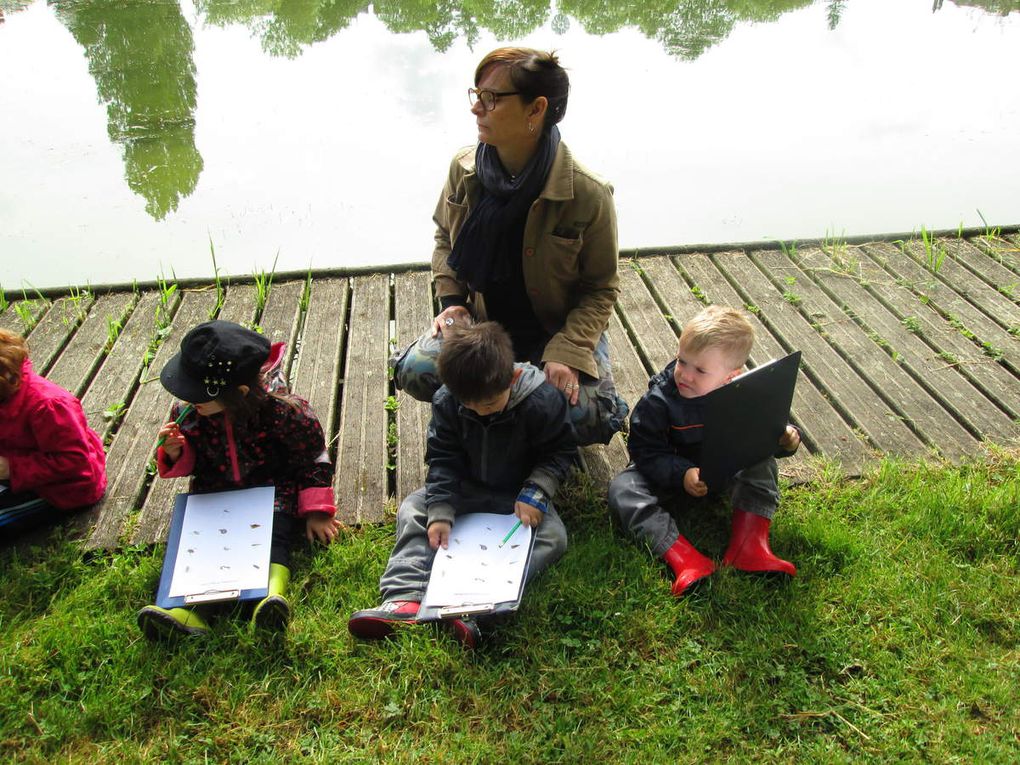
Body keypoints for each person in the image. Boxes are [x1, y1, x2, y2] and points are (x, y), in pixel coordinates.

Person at [391, 47, 628, 447]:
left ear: (536, 109)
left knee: (589, 417)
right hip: (486, 327)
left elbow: (601, 288)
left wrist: (567, 350)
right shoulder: (464, 169)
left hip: (554, 330)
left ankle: (503, 409)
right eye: (476, 95)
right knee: (415, 371)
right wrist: (452, 302)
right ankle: (507, 409)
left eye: (492, 99)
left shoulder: (588, 194)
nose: (476, 109)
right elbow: (445, 239)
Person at [349, 322, 576, 648]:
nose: (476, 412)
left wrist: (537, 491)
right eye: (466, 405)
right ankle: (405, 596)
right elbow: (443, 457)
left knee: (554, 537)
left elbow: (558, 453)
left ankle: (479, 605)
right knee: (415, 507)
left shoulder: (542, 401)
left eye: (485, 406)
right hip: (465, 489)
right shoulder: (448, 401)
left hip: (516, 497)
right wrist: (440, 509)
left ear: (511, 380)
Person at [136, 320, 342, 639]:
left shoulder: (285, 411)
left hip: (273, 493)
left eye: (196, 394)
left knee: (275, 538)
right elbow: (191, 460)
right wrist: (176, 451)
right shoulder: (191, 412)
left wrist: (316, 510)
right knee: (199, 550)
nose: (188, 400)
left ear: (240, 392)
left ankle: (271, 597)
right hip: (213, 496)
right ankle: (188, 614)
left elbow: (312, 456)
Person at [608, 306, 801, 597]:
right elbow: (644, 450)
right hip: (670, 476)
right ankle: (684, 558)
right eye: (681, 361)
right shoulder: (660, 400)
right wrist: (682, 473)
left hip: (721, 470)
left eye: (700, 370)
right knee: (623, 489)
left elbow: (760, 431)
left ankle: (749, 546)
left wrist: (784, 439)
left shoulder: (742, 394)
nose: (685, 375)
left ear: (729, 376)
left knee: (762, 461)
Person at [0, 329, 107, 535]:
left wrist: (12, 469)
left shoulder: (48, 405)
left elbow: (75, 461)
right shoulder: (6, 395)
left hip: (61, 489)